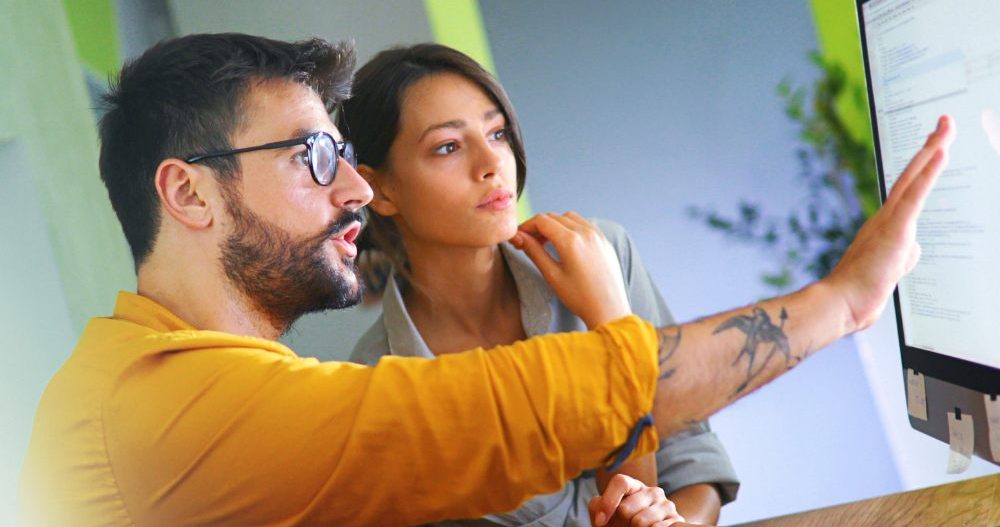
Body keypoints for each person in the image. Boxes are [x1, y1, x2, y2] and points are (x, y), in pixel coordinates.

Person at [17, 32, 954, 527]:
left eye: (345, 155)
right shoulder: (160, 408)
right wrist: (843, 299)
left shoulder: (206, 385)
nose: (350, 187)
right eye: (312, 157)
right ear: (187, 192)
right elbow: (500, 411)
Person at [342, 43, 737, 526]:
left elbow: (691, 459)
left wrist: (679, 523)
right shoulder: (376, 394)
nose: (492, 163)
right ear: (380, 189)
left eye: (497, 132)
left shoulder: (604, 254)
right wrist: (613, 326)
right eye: (448, 146)